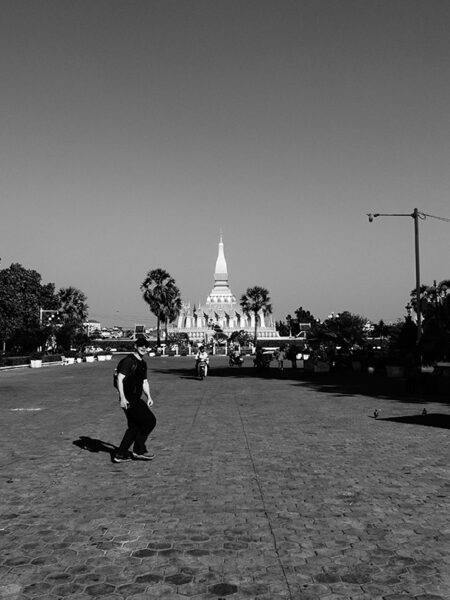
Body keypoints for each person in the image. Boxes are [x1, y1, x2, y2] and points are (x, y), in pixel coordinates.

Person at [113, 337, 156, 463]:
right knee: (150, 421)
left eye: (146, 346)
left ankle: (120, 454)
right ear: (135, 346)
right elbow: (119, 379)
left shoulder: (143, 363)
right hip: (129, 398)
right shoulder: (129, 361)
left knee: (134, 427)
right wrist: (122, 398)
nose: (144, 348)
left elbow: (144, 382)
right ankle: (139, 450)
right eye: (141, 345)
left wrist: (149, 396)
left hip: (136, 397)